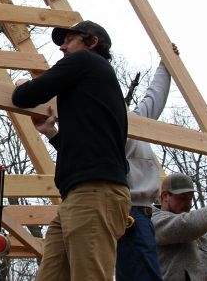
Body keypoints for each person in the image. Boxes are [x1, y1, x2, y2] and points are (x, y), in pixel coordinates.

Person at [12, 20, 131, 281]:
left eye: (69, 40)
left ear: (91, 42)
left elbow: (25, 97)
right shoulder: (92, 84)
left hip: (94, 194)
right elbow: (85, 143)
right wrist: (52, 133)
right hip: (78, 196)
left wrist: (22, 85)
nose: (63, 47)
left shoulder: (86, 61)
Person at [117, 43, 179, 281]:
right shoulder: (111, 126)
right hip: (130, 213)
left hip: (143, 214)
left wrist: (166, 64)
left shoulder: (134, 121)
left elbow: (156, 96)